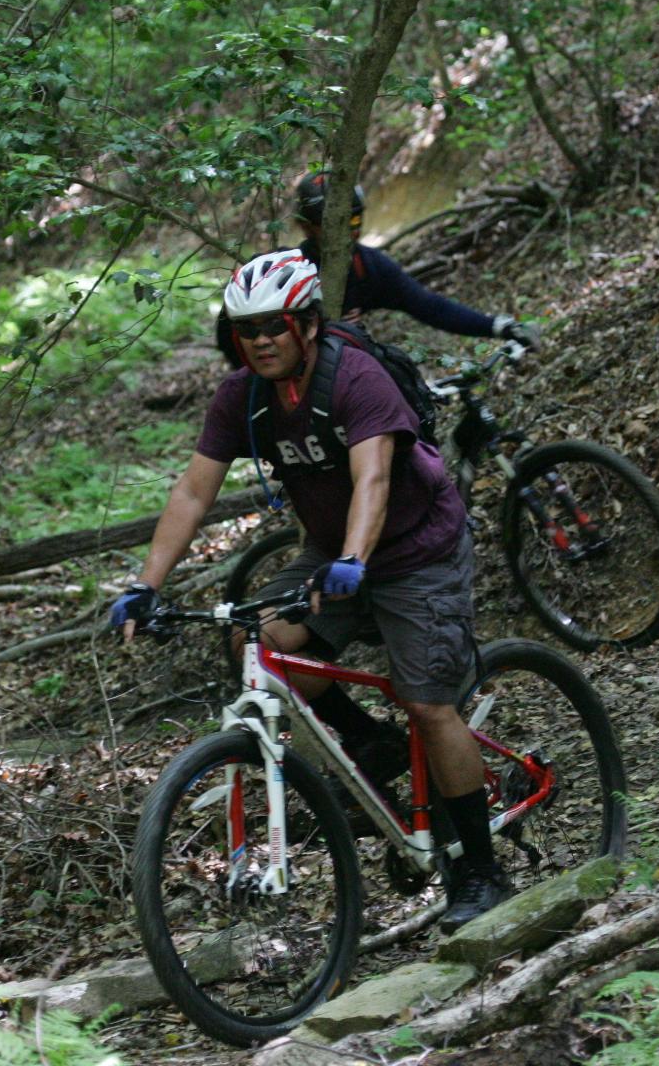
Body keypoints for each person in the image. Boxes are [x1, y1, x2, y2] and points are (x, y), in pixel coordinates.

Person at [115, 248, 512, 933]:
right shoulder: (243, 396)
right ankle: (369, 743)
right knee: (256, 640)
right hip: (333, 552)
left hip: (417, 550)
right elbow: (192, 491)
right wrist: (145, 585)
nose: (263, 340)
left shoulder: (355, 377)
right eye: (249, 330)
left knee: (428, 703)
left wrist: (356, 560)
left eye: (276, 325)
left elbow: (375, 482)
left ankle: (480, 870)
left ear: (306, 324)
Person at [215, 171, 542, 366]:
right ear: (305, 227)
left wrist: (499, 326)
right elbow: (229, 323)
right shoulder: (284, 271)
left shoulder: (368, 268)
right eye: (334, 222)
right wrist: (250, 374)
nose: (349, 231)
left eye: (354, 219)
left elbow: (429, 307)